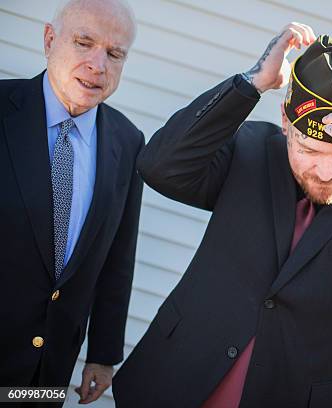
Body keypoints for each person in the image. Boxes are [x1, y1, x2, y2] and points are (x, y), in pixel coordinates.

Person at [113, 23, 332, 407]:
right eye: (309, 151)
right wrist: (251, 84)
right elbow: (159, 167)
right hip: (176, 383)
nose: (326, 172)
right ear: (286, 122)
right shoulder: (251, 149)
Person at [0, 0, 143, 404]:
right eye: (84, 43)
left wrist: (102, 355)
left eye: (114, 53)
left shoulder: (128, 141)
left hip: (46, 373)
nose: (98, 64)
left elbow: (118, 256)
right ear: (49, 40)